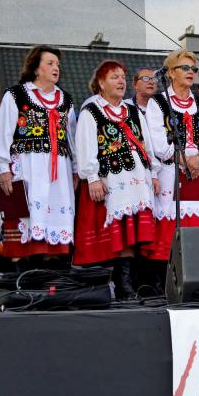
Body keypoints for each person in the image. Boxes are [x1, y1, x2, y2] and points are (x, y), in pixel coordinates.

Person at [74, 60, 160, 298]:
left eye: (122, 77)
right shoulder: (91, 111)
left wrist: (153, 173)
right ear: (101, 83)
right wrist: (92, 177)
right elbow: (85, 147)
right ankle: (117, 286)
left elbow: (146, 145)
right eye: (114, 77)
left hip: (137, 181)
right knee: (117, 234)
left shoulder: (133, 111)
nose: (121, 81)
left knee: (131, 234)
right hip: (110, 183)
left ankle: (126, 285)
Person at [0, 45, 77, 262]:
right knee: (28, 214)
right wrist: (3, 168)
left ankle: (51, 267)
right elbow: (2, 134)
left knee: (55, 215)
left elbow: (72, 139)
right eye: (50, 63)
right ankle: (25, 266)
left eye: (57, 64)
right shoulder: (17, 95)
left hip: (59, 172)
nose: (56, 68)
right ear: (36, 68)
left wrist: (76, 169)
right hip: (28, 167)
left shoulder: (65, 100)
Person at [145, 50, 199, 262]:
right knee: (174, 231)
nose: (191, 72)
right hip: (172, 172)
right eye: (185, 68)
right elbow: (158, 144)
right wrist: (186, 161)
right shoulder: (158, 102)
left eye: (193, 68)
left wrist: (198, 159)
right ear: (171, 72)